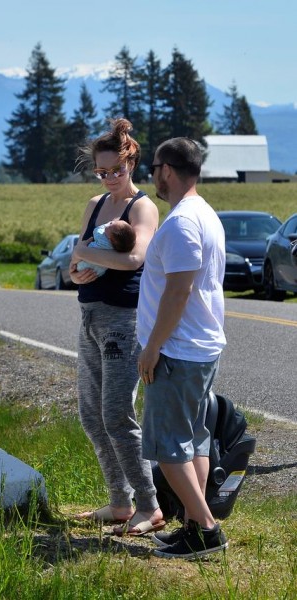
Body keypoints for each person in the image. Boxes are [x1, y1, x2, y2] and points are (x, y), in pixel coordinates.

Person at [69, 118, 165, 537]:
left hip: (123, 320)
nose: (109, 178)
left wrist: (87, 253)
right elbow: (76, 259)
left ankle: (151, 505)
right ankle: (120, 502)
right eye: (101, 172)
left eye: (116, 170)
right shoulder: (94, 205)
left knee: (117, 414)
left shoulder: (142, 207)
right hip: (89, 314)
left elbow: (134, 260)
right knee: (90, 416)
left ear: (132, 164)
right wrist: (77, 272)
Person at [137, 138, 228, 559]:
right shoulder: (206, 214)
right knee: (195, 440)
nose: (151, 174)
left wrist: (153, 347)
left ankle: (206, 528)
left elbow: (178, 292)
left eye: (154, 166)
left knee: (169, 447)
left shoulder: (180, 224)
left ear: (168, 170)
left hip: (177, 351)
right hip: (200, 346)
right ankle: (193, 523)